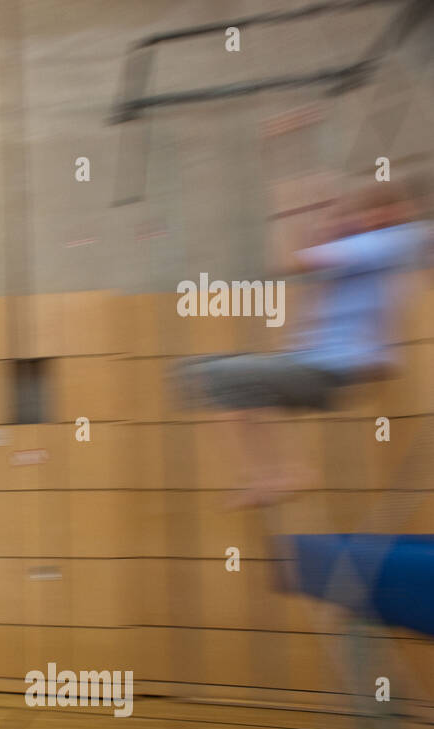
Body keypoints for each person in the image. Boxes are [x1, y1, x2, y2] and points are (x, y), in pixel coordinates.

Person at [175, 180, 431, 508]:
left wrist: (290, 204)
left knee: (213, 375)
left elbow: (294, 262)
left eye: (377, 211)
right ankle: (275, 474)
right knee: (220, 384)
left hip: (334, 367)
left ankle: (286, 473)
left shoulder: (381, 243)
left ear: (393, 213)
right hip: (320, 363)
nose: (368, 218)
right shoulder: (379, 247)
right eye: (367, 212)